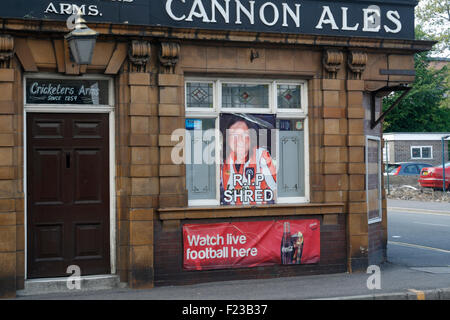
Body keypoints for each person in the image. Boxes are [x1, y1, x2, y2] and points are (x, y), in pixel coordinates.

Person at [221, 119, 276, 205]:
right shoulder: (222, 162)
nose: (239, 140)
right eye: (233, 135)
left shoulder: (262, 155)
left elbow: (276, 193)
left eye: (244, 135)